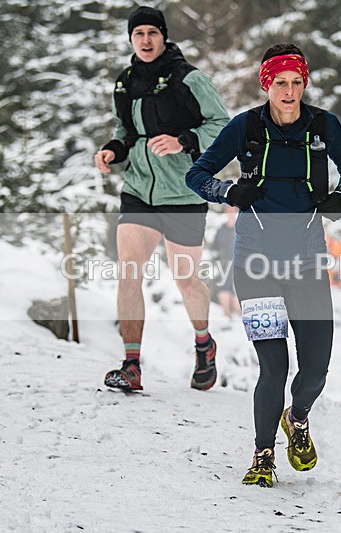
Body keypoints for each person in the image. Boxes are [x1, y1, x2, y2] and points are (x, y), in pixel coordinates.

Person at [186, 43, 341, 487]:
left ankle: (296, 417)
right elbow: (197, 174)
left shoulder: (324, 125)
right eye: (280, 82)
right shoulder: (245, 127)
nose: (288, 91)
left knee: (317, 366)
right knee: (274, 367)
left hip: (306, 262)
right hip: (255, 263)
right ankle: (262, 457)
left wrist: (340, 197)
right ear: (267, 85)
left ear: (304, 83)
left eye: (296, 82)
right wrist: (228, 192)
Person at [95, 6, 230, 392]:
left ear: (163, 36)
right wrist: (112, 150)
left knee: (186, 279)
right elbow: (125, 131)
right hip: (139, 191)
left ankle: (204, 345)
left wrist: (183, 140)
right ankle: (132, 364)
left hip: (184, 192)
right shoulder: (124, 83)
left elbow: (222, 125)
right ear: (131, 39)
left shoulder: (188, 78)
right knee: (128, 272)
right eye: (139, 35)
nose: (146, 41)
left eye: (152, 33)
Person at [212, 205, 241, 319]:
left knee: (238, 290)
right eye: (228, 210)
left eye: (233, 210)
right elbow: (215, 248)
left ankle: (240, 318)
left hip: (241, 264)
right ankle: (227, 317)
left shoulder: (242, 229)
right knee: (224, 289)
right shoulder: (221, 230)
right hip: (225, 265)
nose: (231, 213)